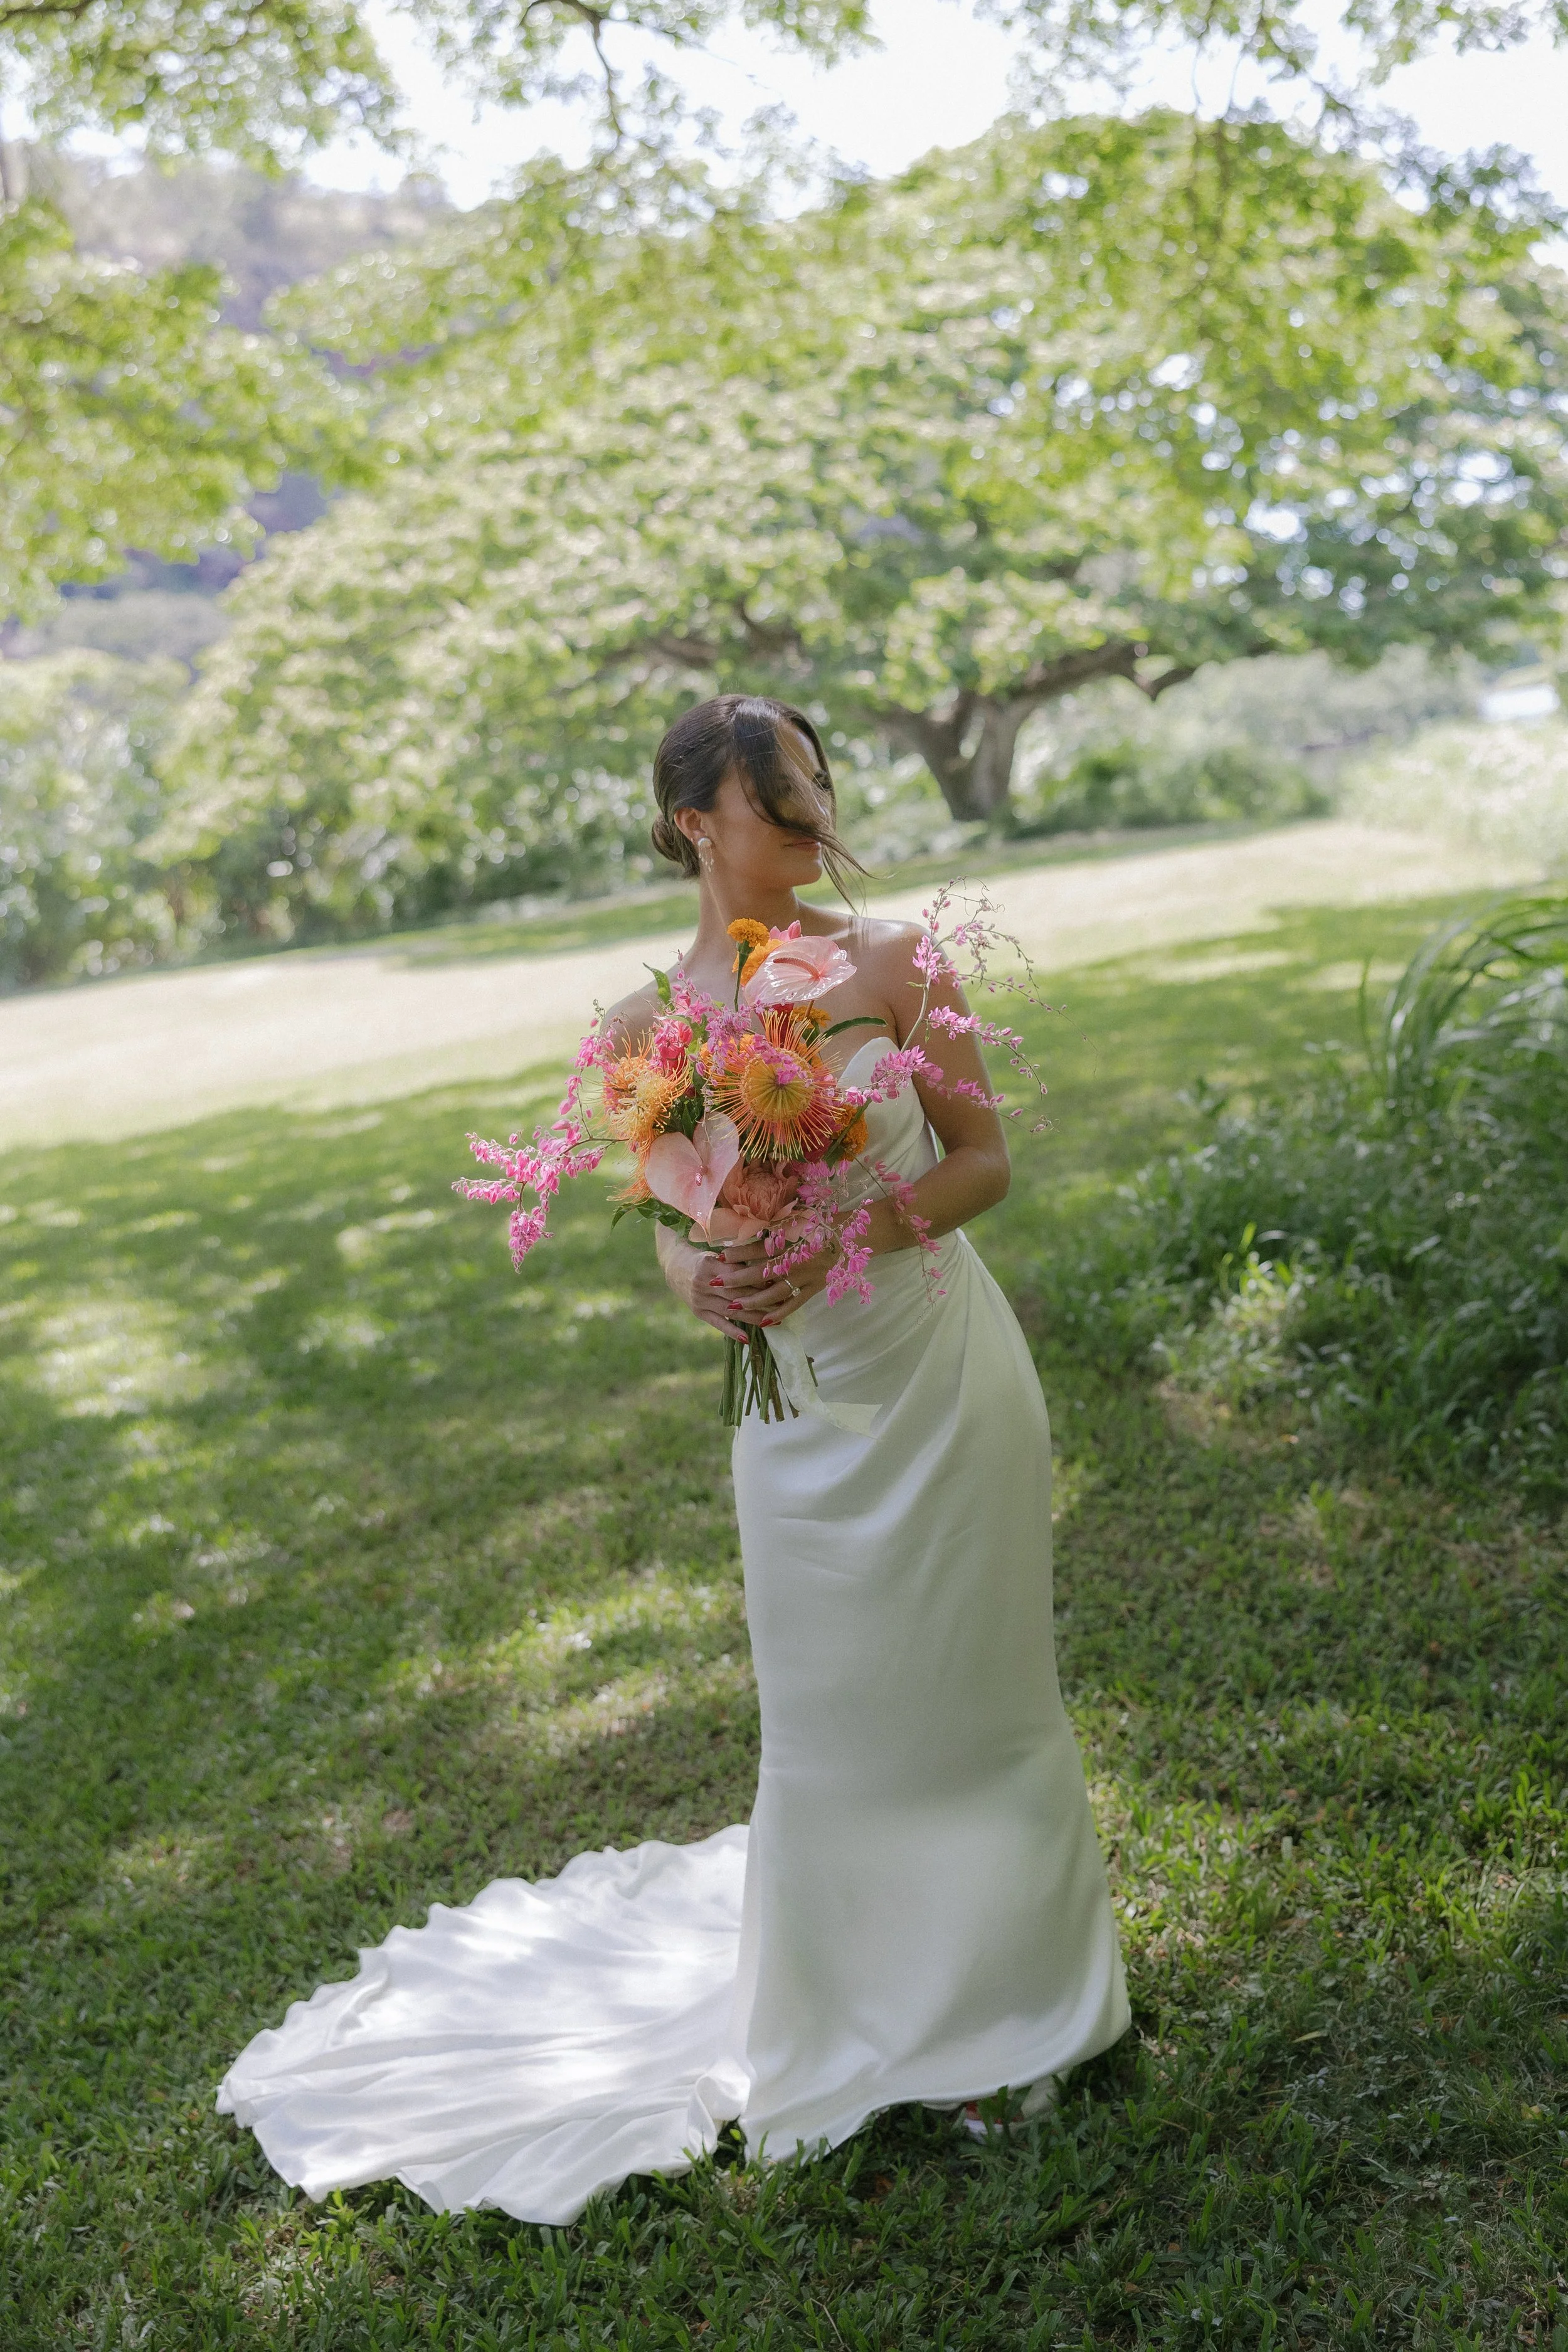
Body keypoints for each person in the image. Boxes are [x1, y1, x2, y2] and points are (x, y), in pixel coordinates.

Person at [217, 694, 1128, 2225]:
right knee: (836, 1711)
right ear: (693, 822)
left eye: (815, 790)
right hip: (796, 1408)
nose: (807, 818)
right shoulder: (645, 1031)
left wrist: (860, 1218)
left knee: (973, 1693)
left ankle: (1004, 2013)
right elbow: (674, 1228)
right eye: (774, 799)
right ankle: (844, 2007)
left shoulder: (898, 961)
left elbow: (983, 1160)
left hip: (940, 1379)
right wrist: (704, 1286)